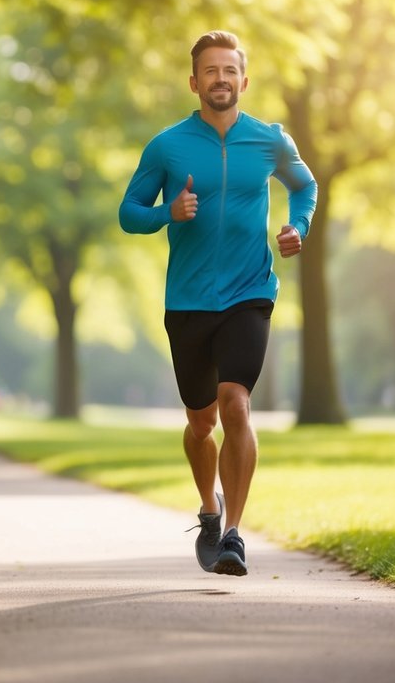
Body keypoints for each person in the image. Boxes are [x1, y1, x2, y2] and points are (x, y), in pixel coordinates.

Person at [118, 30, 317, 576]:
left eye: (230, 71)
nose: (221, 80)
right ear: (194, 82)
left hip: (250, 292)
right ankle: (210, 508)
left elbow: (305, 186)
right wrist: (167, 213)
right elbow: (128, 211)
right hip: (187, 299)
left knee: (236, 404)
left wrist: (297, 226)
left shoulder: (270, 141)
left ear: (244, 80)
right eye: (211, 71)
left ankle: (233, 535)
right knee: (201, 421)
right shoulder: (167, 146)